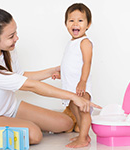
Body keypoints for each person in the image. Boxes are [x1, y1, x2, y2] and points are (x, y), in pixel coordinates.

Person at [0, 7, 101, 145]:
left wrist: (52, 71)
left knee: (66, 123)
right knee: (34, 134)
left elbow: (20, 76)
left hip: (9, 108)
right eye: (11, 36)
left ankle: (16, 124)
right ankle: (11, 127)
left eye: (15, 32)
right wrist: (73, 97)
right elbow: (31, 86)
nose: (16, 38)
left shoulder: (7, 50)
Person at [53, 3, 94, 148]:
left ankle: (82, 138)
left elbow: (87, 63)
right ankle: (84, 135)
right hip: (70, 86)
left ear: (88, 24)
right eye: (71, 20)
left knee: (83, 110)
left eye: (80, 20)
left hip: (80, 86)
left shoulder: (85, 42)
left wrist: (83, 81)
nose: (75, 23)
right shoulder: (71, 43)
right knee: (75, 109)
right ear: (66, 24)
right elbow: (71, 64)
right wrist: (61, 75)